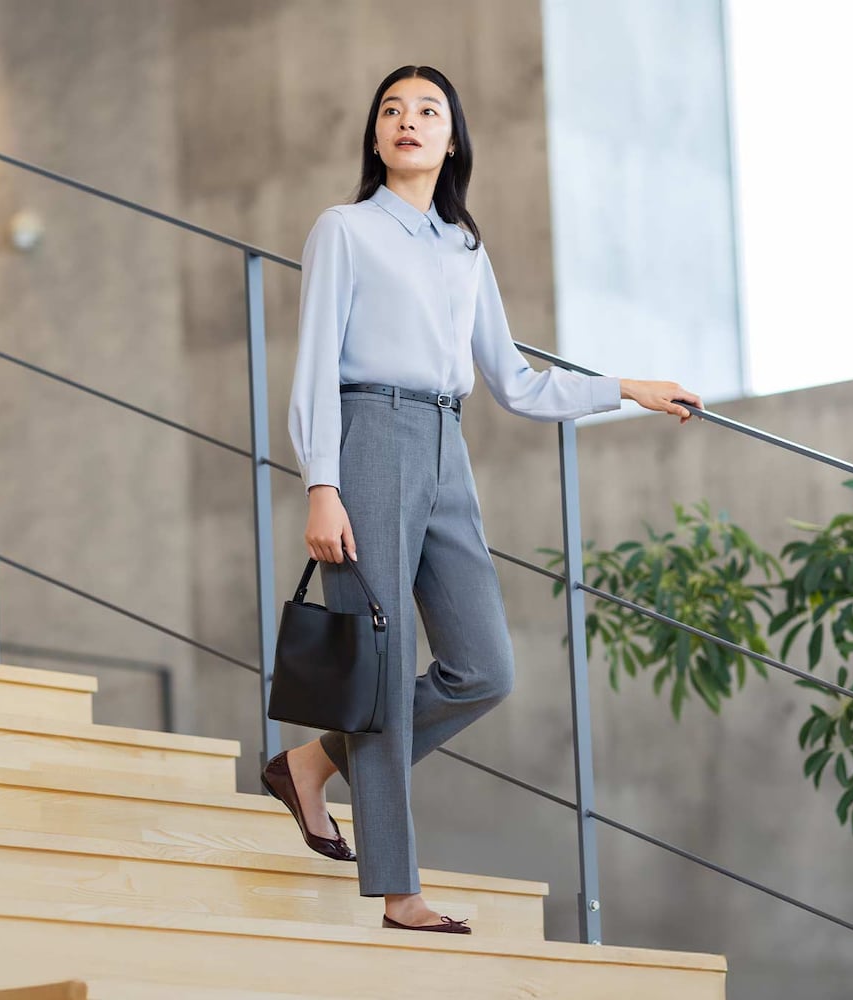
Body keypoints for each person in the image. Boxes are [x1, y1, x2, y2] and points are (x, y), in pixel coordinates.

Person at [269, 64, 702, 935]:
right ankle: (400, 891)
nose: (407, 120)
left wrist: (625, 388)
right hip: (369, 444)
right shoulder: (344, 230)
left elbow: (514, 382)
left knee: (485, 669)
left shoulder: (466, 250)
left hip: (446, 448)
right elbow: (314, 361)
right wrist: (322, 482)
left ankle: (313, 763)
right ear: (376, 134)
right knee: (385, 673)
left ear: (453, 137)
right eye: (391, 109)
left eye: (428, 110)